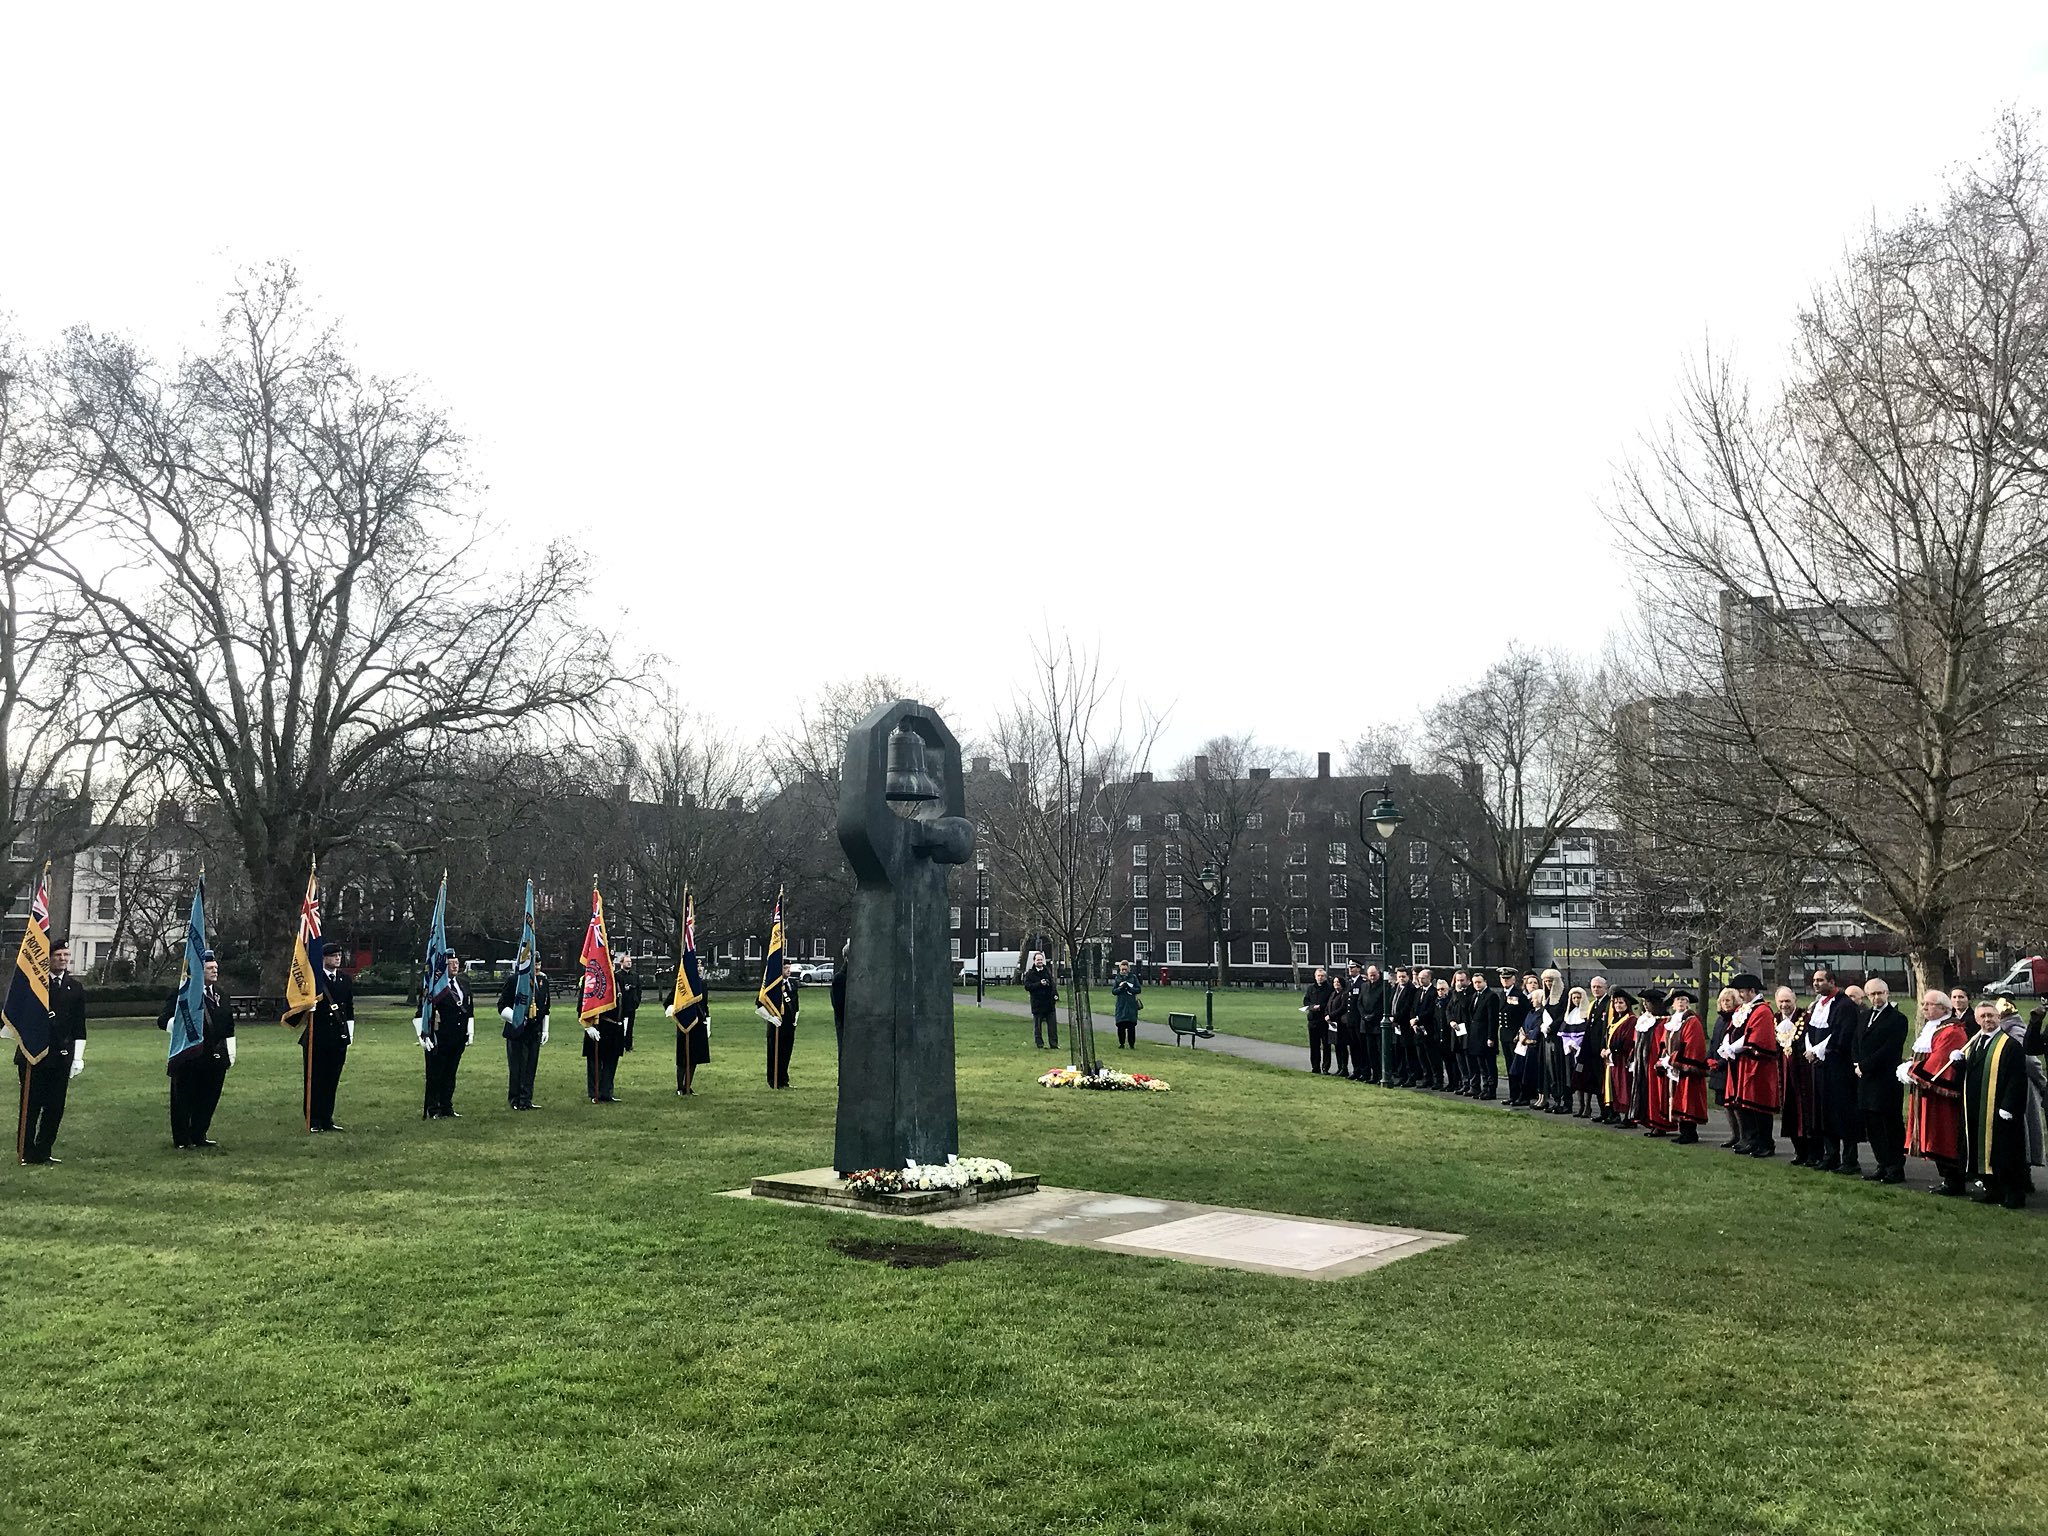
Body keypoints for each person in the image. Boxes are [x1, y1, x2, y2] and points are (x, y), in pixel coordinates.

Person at [15, 937, 86, 1166]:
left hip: (61, 1055)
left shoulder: (75, 987)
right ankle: (26, 1151)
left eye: (66, 955)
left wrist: (78, 1057)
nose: (63, 959)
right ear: (48, 958)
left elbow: (79, 1025)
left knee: (55, 1107)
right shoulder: (34, 984)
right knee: (31, 1106)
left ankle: (44, 1151)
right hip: (33, 1054)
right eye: (58, 955)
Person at [156, 950, 234, 1149]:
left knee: (209, 1097)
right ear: (199, 971)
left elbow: (229, 1026)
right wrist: (182, 1027)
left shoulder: (222, 995)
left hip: (215, 1055)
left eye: (216, 967)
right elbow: (163, 1021)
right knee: (184, 1098)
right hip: (190, 1055)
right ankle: (182, 1139)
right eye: (209, 968)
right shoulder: (183, 994)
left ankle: (199, 1134)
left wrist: (230, 1052)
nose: (214, 971)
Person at [1961, 998, 2029, 1209]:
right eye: (1982, 1016)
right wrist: (1958, 1063)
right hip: (1978, 1107)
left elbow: (2017, 1079)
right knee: (1984, 1153)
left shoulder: (2010, 1045)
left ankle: (2014, 1194)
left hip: (2000, 1109)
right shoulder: (1974, 1043)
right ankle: (1993, 1190)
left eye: (1991, 1015)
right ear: (1976, 1019)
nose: (1987, 1020)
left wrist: (2008, 1106)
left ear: (1999, 1017)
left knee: (2006, 1153)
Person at [1905, 991, 1970, 1196]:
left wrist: (1912, 1070)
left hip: (1941, 1094)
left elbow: (1940, 1062)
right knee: (1934, 1134)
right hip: (1926, 1092)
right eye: (1923, 1004)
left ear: (1943, 1008)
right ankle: (1947, 1178)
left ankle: (1954, 1181)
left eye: (1929, 1004)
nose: (1924, 1007)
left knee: (1945, 1135)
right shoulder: (1934, 1027)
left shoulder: (1952, 1030)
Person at [1804, 966, 1864, 1175]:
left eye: (1820, 980)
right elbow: (1810, 1030)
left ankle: (1850, 1160)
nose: (1816, 983)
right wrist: (1810, 1049)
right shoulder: (1817, 1005)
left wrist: (1820, 1050)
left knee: (1843, 1112)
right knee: (1824, 1111)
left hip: (1839, 1066)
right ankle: (1830, 1156)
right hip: (1820, 1066)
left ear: (1832, 981)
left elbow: (1841, 1033)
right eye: (1814, 980)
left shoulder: (1844, 1005)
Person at [1855, 980, 1911, 1183]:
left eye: (1880, 993)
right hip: (1865, 1078)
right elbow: (1856, 1042)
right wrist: (1856, 1063)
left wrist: (1866, 1065)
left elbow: (1890, 1049)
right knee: (1872, 1123)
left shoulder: (1897, 1019)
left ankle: (1895, 1167)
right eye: (1872, 994)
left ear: (1887, 993)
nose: (1876, 998)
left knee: (1889, 1123)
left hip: (1885, 1078)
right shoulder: (1864, 1017)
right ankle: (1882, 1163)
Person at [1722, 972, 1783, 1158]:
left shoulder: (1762, 1010)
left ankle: (1765, 1143)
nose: (1740, 995)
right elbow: (1732, 1029)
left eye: (1742, 991)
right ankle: (1750, 1139)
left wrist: (1734, 1047)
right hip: (1742, 1063)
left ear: (1752, 991)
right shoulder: (1745, 1009)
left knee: (1759, 1105)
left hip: (1757, 1065)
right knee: (1745, 1105)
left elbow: (1758, 1038)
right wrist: (1726, 1045)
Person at [304, 944, 353, 1132]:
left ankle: (327, 1118)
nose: (337, 959)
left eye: (339, 955)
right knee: (315, 1079)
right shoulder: (315, 980)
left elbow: (349, 1007)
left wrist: (350, 1032)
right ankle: (313, 1119)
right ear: (323, 958)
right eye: (333, 956)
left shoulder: (344, 979)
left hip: (337, 1037)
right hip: (318, 1036)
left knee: (332, 1079)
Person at [423, 953, 472, 1119]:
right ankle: (433, 1107)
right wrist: (424, 1035)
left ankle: (447, 1106)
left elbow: (469, 1008)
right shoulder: (436, 987)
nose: (455, 966)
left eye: (457, 963)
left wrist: (469, 1031)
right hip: (440, 1037)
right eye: (451, 963)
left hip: (457, 1037)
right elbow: (423, 1011)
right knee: (436, 1073)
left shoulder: (463, 983)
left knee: (451, 1073)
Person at [1776, 985, 1819, 1164]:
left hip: (1804, 1073)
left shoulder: (1806, 1019)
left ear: (1795, 1001)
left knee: (1807, 1113)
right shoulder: (1776, 1019)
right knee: (1790, 1111)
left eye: (1788, 1001)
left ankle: (1813, 1153)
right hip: (1785, 1074)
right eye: (1781, 1001)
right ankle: (1799, 1151)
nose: (1784, 1005)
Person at [498, 963, 550, 1112]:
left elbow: (546, 1007)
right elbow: (502, 1006)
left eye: (540, 964)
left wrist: (545, 1030)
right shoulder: (515, 980)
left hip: (534, 1031)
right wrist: (517, 1018)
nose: (538, 968)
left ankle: (526, 1099)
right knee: (518, 1066)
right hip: (517, 1031)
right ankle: (515, 1098)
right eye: (535, 964)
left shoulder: (543, 981)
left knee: (530, 1066)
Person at [1665, 986, 1710, 1145]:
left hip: (1686, 1067)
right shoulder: (1671, 1021)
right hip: (1673, 1067)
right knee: (1676, 1098)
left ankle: (1690, 1132)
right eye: (1678, 1000)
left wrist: (1676, 1060)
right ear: (1673, 1004)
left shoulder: (1692, 1021)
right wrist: (1665, 1057)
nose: (1681, 1002)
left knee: (1687, 1100)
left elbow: (1693, 1045)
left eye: (1684, 1000)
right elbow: (1666, 1042)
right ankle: (1682, 1131)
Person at [584, 972, 628, 1104]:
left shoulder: (618, 978)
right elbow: (585, 1001)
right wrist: (588, 1026)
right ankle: (594, 1093)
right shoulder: (593, 977)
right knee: (595, 1060)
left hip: (616, 1025)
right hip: (600, 1024)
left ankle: (607, 1092)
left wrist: (624, 1019)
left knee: (611, 1060)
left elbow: (623, 1000)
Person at [1637, 989, 1673, 1136]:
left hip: (1656, 1064)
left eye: (1649, 1002)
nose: (1646, 1005)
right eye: (1645, 1002)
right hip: (1644, 1063)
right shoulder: (1645, 1020)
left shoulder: (1664, 1022)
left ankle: (1659, 1123)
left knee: (1657, 1093)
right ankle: (1650, 1121)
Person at [674, 970, 711, 1095]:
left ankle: (688, 1085)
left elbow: (705, 1005)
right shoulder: (681, 984)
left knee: (695, 1057)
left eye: (700, 969)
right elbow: (669, 1002)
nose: (699, 970)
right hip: (684, 1024)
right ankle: (680, 1087)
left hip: (699, 1024)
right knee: (683, 1057)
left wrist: (708, 1022)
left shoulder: (702, 984)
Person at [1503, 972, 1537, 1107]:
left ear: (1513, 979)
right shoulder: (1503, 994)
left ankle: (1523, 1095)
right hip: (1506, 1035)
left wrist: (1521, 1034)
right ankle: (1514, 1095)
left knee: (1520, 1068)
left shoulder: (1519, 996)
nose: (1505, 980)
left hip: (1520, 1035)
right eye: (1503, 978)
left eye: (1508, 978)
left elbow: (1525, 1014)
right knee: (1511, 1068)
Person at [1603, 988, 1636, 1126]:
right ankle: (1617, 1115)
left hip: (1623, 1059)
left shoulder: (1631, 1020)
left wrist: (1611, 1050)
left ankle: (1629, 1118)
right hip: (1612, 1060)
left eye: (1621, 1003)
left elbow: (1627, 1040)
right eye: (1615, 1003)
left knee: (1625, 1088)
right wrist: (1604, 1049)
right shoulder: (1614, 1020)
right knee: (1614, 1087)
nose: (1618, 1005)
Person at [1536, 969, 1568, 1113]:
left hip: (1559, 1037)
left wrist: (1552, 1027)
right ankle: (1555, 1099)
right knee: (1550, 1069)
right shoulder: (1546, 997)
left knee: (1560, 1069)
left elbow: (1563, 1016)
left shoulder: (1564, 995)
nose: (1548, 984)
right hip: (1547, 1038)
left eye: (1551, 981)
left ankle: (1564, 1101)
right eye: (1546, 981)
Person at [1468, 968, 1501, 1101]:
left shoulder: (1491, 996)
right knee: (1481, 1064)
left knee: (1489, 1064)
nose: (1477, 984)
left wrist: (1491, 1037)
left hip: (1485, 1035)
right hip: (1476, 1035)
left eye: (1479, 982)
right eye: (1475, 982)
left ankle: (1491, 1090)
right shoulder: (1475, 996)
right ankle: (1485, 1087)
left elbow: (1492, 1019)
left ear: (1485, 982)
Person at [765, 968, 799, 1088]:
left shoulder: (792, 984)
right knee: (775, 1053)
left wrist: (796, 1018)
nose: (788, 970)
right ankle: (774, 1080)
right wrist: (771, 1018)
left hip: (789, 1025)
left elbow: (796, 1003)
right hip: (776, 1025)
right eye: (785, 968)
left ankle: (784, 1079)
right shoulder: (773, 986)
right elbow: (760, 1004)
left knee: (786, 1053)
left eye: (789, 968)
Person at [1357, 963, 1391, 1084]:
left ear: (1379, 974)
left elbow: (1384, 1004)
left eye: (1374, 975)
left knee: (1380, 1051)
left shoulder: (1384, 986)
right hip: (1366, 1023)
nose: (1372, 977)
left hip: (1378, 1023)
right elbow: (1359, 1002)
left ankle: (1383, 1075)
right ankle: (1374, 1075)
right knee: (1370, 1051)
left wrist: (1373, 1016)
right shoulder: (1364, 986)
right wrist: (1364, 1015)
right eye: (1370, 975)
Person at [1332, 961, 1363, 1081]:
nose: (1350, 969)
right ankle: (1356, 1070)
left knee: (1360, 1047)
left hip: (1358, 1020)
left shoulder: (1362, 983)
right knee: (1353, 1047)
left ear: (1359, 969)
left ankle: (1363, 1070)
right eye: (1349, 967)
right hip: (1350, 1021)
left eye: (1353, 967)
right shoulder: (1349, 983)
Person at [1023, 952, 1059, 1051]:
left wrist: (1055, 995)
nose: (1040, 962)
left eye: (1041, 960)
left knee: (1052, 1026)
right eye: (1038, 960)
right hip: (1037, 1004)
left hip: (1049, 1003)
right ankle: (1040, 1044)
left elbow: (1052, 984)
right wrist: (1039, 984)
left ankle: (1054, 1044)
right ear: (1034, 961)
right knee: (1037, 1026)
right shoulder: (1030, 973)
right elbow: (1027, 986)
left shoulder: (1047, 972)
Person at [1389, 966, 1419, 1086]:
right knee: (1399, 1051)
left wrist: (1395, 1018)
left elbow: (1407, 1007)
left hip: (1405, 1025)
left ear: (1408, 977)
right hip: (1396, 1026)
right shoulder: (1395, 987)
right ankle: (1402, 1076)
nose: (1401, 979)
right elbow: (1392, 1002)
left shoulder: (1411, 989)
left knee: (1408, 1053)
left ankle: (1411, 1077)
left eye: (1403, 976)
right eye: (1399, 976)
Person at [1301, 966, 1333, 1073]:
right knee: (1314, 1045)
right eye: (1318, 976)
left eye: (1322, 976)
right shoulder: (1311, 988)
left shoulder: (1329, 988)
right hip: (1313, 1020)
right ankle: (1315, 1067)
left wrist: (1321, 1007)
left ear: (1325, 977)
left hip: (1324, 1020)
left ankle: (1325, 1067)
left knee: (1326, 1045)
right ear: (1315, 977)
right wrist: (1312, 1006)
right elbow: (1306, 1001)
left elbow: (1330, 1002)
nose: (1320, 978)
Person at [1111, 961, 1143, 1051]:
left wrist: (1130, 988)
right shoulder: (1117, 978)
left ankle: (1131, 1044)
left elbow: (1138, 989)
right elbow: (1114, 991)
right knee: (1120, 1025)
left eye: (1125, 969)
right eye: (1122, 969)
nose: (1124, 971)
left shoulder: (1133, 977)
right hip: (1121, 1005)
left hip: (1131, 1005)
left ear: (1128, 969)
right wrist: (1120, 988)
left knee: (1131, 1026)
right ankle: (1121, 1043)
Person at [616, 954, 642, 1060]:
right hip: (621, 1005)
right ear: (621, 963)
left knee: (630, 1026)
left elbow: (639, 989)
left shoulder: (635, 975)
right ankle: (619, 1045)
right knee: (620, 1026)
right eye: (627, 961)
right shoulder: (617, 975)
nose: (629, 963)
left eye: (630, 961)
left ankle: (629, 1046)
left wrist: (637, 1001)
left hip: (632, 1005)